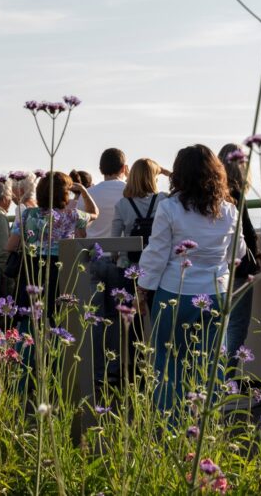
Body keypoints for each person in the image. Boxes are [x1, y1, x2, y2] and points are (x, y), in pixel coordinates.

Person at [136, 145, 244, 414]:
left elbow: (157, 253)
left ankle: (171, 422)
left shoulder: (169, 207)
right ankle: (208, 423)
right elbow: (238, 252)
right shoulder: (229, 210)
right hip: (216, 293)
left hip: (176, 292)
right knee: (212, 362)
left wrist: (142, 288)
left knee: (169, 360)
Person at [92, 158, 167, 391]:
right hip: (159, 269)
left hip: (130, 270)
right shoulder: (164, 200)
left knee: (131, 324)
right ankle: (158, 372)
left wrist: (120, 256)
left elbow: (114, 244)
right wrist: (166, 170)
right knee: (158, 322)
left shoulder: (123, 205)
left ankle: (134, 373)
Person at [6, 172, 97, 323]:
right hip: (61, 270)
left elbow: (10, 246)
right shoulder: (72, 215)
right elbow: (94, 213)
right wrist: (83, 191)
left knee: (28, 318)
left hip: (31, 270)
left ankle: (27, 346)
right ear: (64, 194)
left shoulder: (28, 214)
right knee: (57, 317)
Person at [218, 143, 261, 373]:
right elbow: (246, 233)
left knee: (219, 325)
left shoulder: (217, 193)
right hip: (239, 267)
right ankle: (226, 378)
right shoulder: (237, 194)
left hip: (216, 266)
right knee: (237, 324)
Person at [86, 148, 128, 238]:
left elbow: (80, 230)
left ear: (100, 169)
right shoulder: (132, 191)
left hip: (93, 250)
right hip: (122, 249)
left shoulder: (87, 194)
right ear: (124, 168)